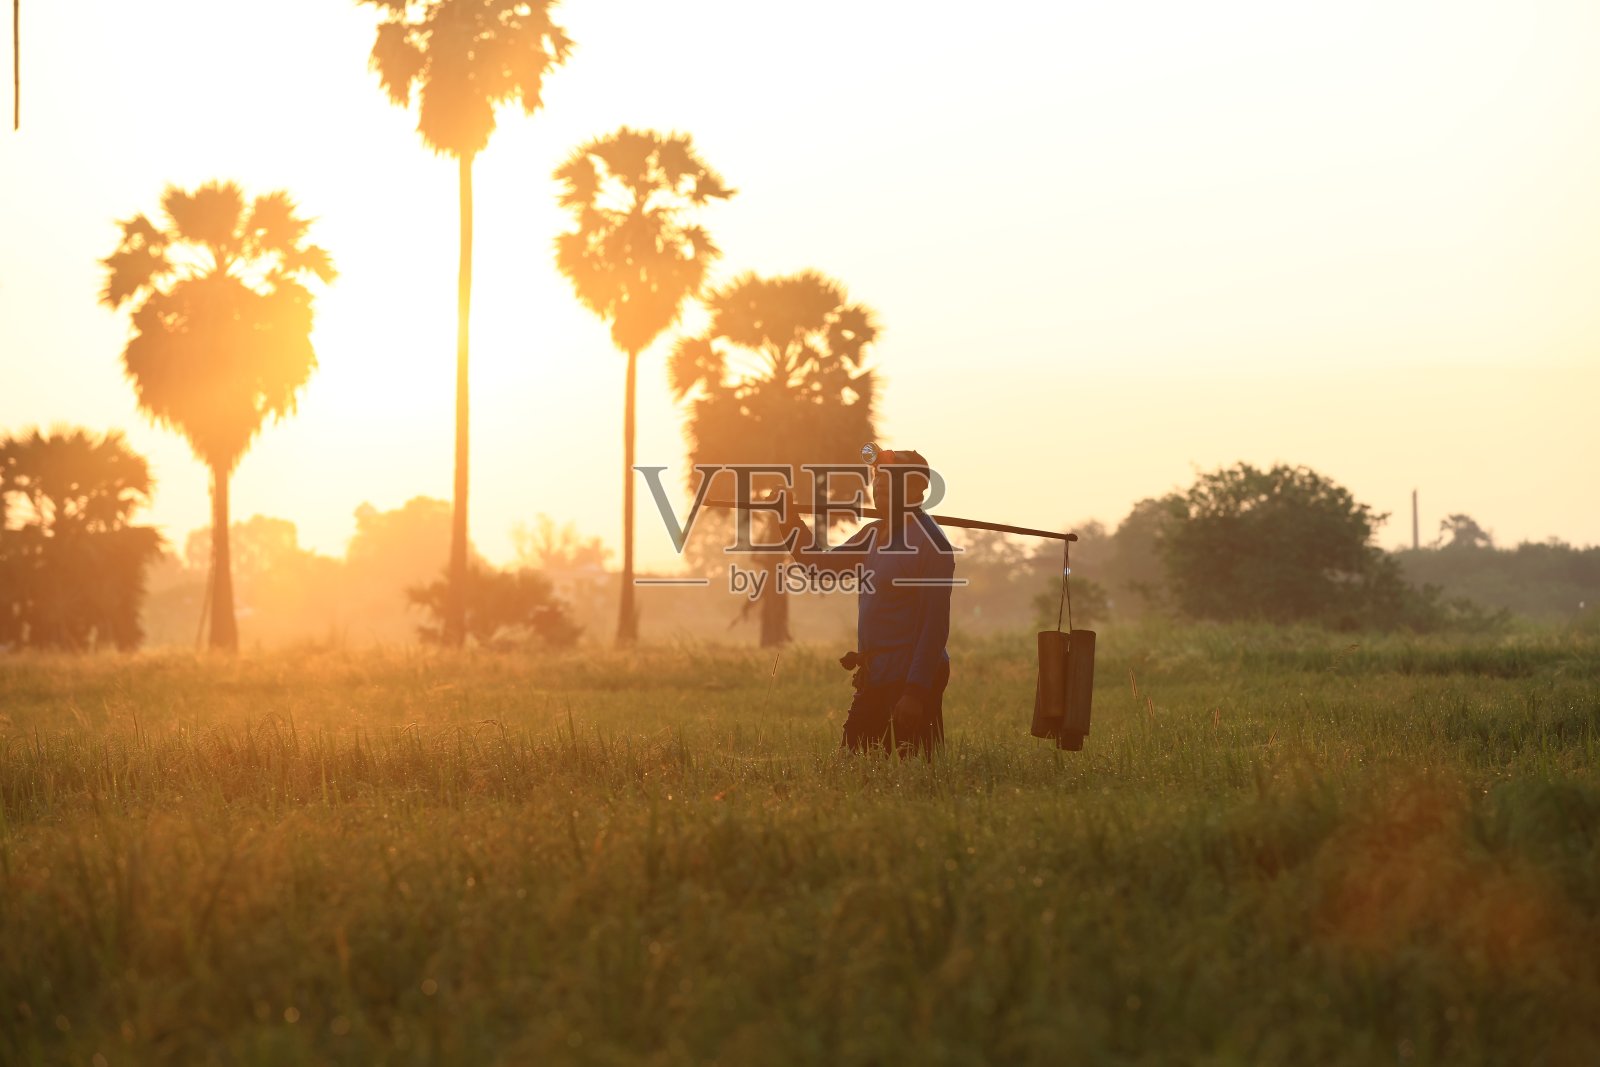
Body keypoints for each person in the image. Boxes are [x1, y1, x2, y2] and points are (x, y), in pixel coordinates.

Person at [774, 446, 956, 757]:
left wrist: (914, 693)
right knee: (853, 766)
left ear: (916, 490)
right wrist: (787, 519)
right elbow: (816, 564)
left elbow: (934, 629)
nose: (881, 488)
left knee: (913, 776)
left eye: (892, 482)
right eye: (878, 481)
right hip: (876, 674)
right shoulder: (874, 534)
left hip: (911, 678)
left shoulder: (932, 546)